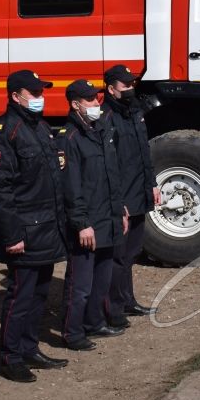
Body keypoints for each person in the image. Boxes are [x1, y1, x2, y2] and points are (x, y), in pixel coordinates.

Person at [0, 70, 69, 383]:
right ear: (16, 96)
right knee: (20, 296)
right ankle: (10, 356)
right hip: (23, 234)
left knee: (40, 294)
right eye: (34, 93)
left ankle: (30, 348)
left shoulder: (40, 128)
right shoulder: (4, 133)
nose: (40, 98)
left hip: (45, 230)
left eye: (41, 92)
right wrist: (12, 235)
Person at [61, 79, 129, 351]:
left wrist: (120, 208)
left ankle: (94, 322)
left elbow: (112, 175)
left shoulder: (100, 131)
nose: (96, 103)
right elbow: (71, 187)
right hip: (87, 223)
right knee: (80, 285)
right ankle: (72, 333)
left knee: (102, 280)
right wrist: (81, 224)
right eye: (89, 100)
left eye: (96, 98)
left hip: (108, 217)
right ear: (76, 105)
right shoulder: (69, 138)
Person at [102, 64, 160, 326]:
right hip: (122, 198)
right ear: (111, 89)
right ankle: (112, 309)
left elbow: (144, 154)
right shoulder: (106, 118)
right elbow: (108, 166)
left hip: (139, 192)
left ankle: (127, 300)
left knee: (131, 252)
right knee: (117, 256)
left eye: (132, 84)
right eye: (125, 86)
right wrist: (118, 203)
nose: (130, 89)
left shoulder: (135, 112)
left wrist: (154, 184)